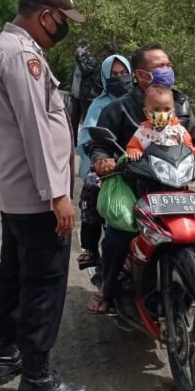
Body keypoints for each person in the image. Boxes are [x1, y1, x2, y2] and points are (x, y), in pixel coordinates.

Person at [87, 43, 195, 337]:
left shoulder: (181, 104)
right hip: (134, 188)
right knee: (118, 237)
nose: (167, 71)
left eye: (168, 64)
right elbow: (99, 145)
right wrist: (104, 161)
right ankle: (107, 290)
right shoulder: (120, 108)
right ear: (140, 75)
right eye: (159, 67)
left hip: (175, 187)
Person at [0, 0, 89, 391]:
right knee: (43, 281)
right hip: (37, 194)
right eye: (63, 20)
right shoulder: (23, 55)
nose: (63, 29)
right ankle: (38, 376)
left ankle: (5, 355)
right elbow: (36, 129)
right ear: (46, 16)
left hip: (17, 192)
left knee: (13, 272)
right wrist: (57, 195)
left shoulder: (2, 48)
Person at [75, 53, 133, 300]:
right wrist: (102, 160)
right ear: (104, 78)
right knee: (91, 189)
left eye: (124, 73)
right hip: (109, 166)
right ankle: (90, 247)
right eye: (114, 75)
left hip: (141, 166)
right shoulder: (99, 106)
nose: (120, 79)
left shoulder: (143, 100)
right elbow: (88, 140)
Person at [126, 82, 195, 161]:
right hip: (151, 172)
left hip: (176, 171)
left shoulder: (179, 131)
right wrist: (134, 152)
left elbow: (188, 148)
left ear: (173, 111)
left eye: (167, 109)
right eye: (156, 109)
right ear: (146, 112)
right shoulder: (142, 132)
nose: (162, 114)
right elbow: (133, 147)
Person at [69, 38, 99, 133]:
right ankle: (73, 144)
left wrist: (79, 59)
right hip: (76, 95)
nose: (79, 48)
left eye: (81, 46)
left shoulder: (91, 59)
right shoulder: (78, 59)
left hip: (85, 96)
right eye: (78, 46)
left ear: (87, 47)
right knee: (73, 120)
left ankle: (85, 143)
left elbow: (85, 71)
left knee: (86, 120)